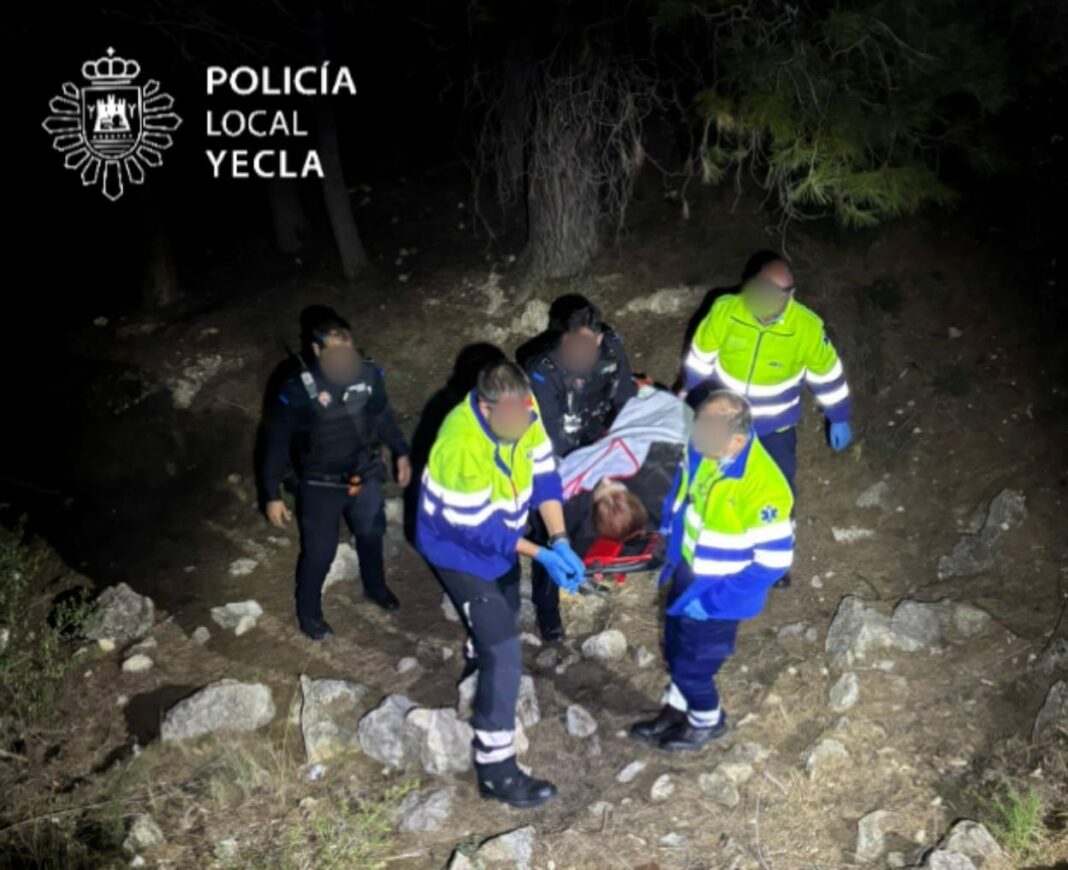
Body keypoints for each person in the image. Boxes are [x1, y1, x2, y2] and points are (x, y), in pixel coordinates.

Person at [416, 360, 585, 808]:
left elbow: (546, 475)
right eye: (512, 418)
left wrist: (560, 538)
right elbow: (480, 531)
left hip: (503, 542)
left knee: (502, 615)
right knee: (505, 651)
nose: (522, 423)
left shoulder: (523, 414)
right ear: (486, 409)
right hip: (458, 549)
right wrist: (542, 553)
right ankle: (496, 771)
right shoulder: (458, 445)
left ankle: (477, 668)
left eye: (526, 414)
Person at [629, 391, 794, 751]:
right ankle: (677, 710)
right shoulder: (706, 448)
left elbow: (774, 562)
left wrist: (714, 601)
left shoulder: (763, 488)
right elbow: (683, 492)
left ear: (736, 440)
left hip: (721, 592)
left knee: (695, 666)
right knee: (675, 648)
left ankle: (707, 720)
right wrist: (671, 540)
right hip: (689, 572)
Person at [681, 255, 852, 586]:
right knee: (713, 483)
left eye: (781, 295)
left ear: (792, 293)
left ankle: (776, 562)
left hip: (775, 426)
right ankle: (711, 550)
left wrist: (838, 416)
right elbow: (702, 354)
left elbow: (828, 375)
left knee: (778, 491)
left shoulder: (806, 328)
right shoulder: (726, 310)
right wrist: (688, 388)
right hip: (726, 420)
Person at [261, 312, 411, 640]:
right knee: (320, 551)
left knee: (372, 534)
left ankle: (375, 587)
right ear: (317, 351)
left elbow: (383, 415)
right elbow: (276, 441)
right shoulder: (298, 389)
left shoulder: (369, 374)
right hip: (319, 482)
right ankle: (309, 614)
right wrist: (271, 493)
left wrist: (401, 450)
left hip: (365, 471)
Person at [523, 294, 637, 639]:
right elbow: (549, 440)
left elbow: (625, 400)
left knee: (591, 518)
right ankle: (548, 615)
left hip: (594, 439)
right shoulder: (542, 370)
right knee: (553, 531)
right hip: (552, 456)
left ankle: (583, 572)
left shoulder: (612, 347)